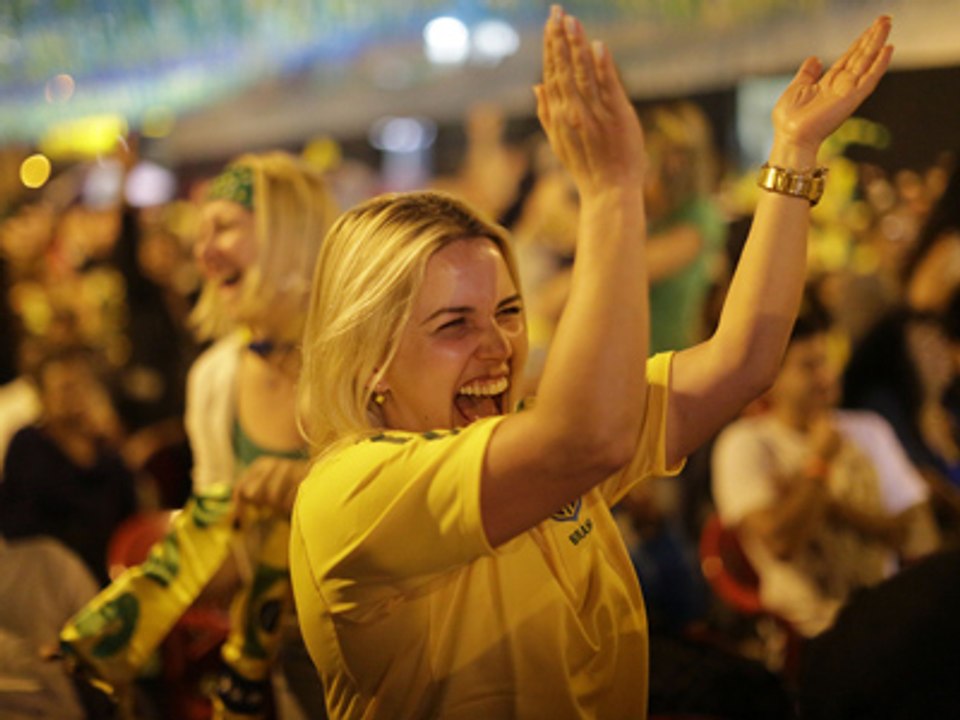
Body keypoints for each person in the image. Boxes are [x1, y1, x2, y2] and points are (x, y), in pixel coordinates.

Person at [290, 6, 894, 718]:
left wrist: (793, 150)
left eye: (508, 312)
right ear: (370, 359)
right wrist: (610, 192)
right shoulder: (351, 493)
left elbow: (743, 361)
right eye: (454, 324)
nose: (499, 345)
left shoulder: (537, 435)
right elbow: (583, 441)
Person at [59, 151, 338, 720]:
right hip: (281, 654)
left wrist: (313, 483)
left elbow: (413, 484)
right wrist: (118, 623)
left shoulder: (355, 354)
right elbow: (224, 546)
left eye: (225, 227)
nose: (203, 250)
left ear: (289, 232)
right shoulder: (214, 378)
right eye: (201, 232)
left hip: (378, 636)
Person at [712, 298, 940, 639]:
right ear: (771, 379)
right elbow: (780, 543)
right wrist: (819, 464)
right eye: (809, 366)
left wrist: (836, 510)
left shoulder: (869, 429)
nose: (827, 376)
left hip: (886, 618)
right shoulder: (745, 443)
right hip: (807, 631)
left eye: (828, 361)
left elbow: (917, 536)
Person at [0, 344, 136, 587]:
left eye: (81, 386)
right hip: (50, 581)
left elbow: (130, 515)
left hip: (112, 574)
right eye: (64, 390)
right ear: (43, 398)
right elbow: (20, 526)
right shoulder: (28, 445)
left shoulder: (105, 450)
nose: (75, 398)